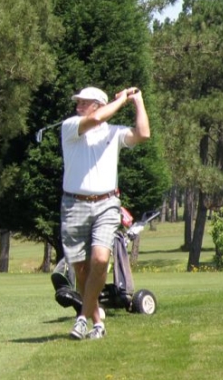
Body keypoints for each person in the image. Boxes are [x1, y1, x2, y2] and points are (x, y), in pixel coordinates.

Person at [60, 86, 149, 340]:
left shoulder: (114, 133)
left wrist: (137, 102)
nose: (78, 107)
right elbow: (97, 119)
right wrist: (120, 101)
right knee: (81, 271)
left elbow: (143, 133)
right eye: (77, 102)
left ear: (98, 104)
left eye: (83, 103)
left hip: (107, 203)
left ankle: (81, 319)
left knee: (100, 261)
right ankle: (97, 320)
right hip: (74, 204)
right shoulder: (70, 126)